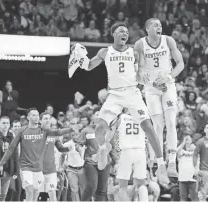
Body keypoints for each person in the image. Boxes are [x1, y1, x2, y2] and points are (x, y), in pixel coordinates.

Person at [70, 22, 169, 185]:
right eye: (121, 31)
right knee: (99, 127)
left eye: (126, 31)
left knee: (148, 127)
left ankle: (162, 165)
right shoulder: (104, 52)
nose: (125, 33)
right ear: (113, 34)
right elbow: (88, 66)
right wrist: (79, 58)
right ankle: (103, 150)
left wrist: (152, 82)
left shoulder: (134, 52)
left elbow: (143, 73)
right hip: (114, 94)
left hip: (132, 92)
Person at [134, 18, 185, 177]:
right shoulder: (140, 45)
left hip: (168, 85)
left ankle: (172, 162)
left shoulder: (168, 40)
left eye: (160, 25)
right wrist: (152, 83)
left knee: (170, 121)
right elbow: (138, 73)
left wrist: (169, 78)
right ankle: (160, 163)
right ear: (147, 29)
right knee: (157, 125)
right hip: (151, 88)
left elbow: (180, 64)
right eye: (155, 25)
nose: (159, 27)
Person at [0, 108, 76, 201]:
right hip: (26, 167)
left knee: (36, 195)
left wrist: (71, 129)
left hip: (39, 169)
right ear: (28, 117)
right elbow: (11, 148)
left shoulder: (44, 130)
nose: (36, 117)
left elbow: (57, 132)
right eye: (33, 115)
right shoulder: (22, 130)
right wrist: (1, 163)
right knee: (29, 191)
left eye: (37, 115)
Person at [113, 108, 149, 201]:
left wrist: (117, 157)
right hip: (140, 150)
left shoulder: (120, 117)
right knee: (142, 184)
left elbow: (115, 136)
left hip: (126, 151)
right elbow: (147, 137)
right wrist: (149, 154)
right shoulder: (143, 116)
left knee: (122, 186)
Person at [39, 112, 71, 201]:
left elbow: (60, 147)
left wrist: (68, 148)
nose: (48, 120)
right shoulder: (35, 133)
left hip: (51, 170)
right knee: (41, 196)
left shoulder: (53, 133)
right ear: (40, 121)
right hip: (38, 170)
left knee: (52, 193)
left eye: (49, 118)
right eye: (45, 118)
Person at [0, 116, 18, 201]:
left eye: (7, 123)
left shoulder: (12, 138)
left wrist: (16, 170)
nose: (5, 125)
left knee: (3, 194)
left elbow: (15, 155)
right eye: (3, 123)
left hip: (8, 169)